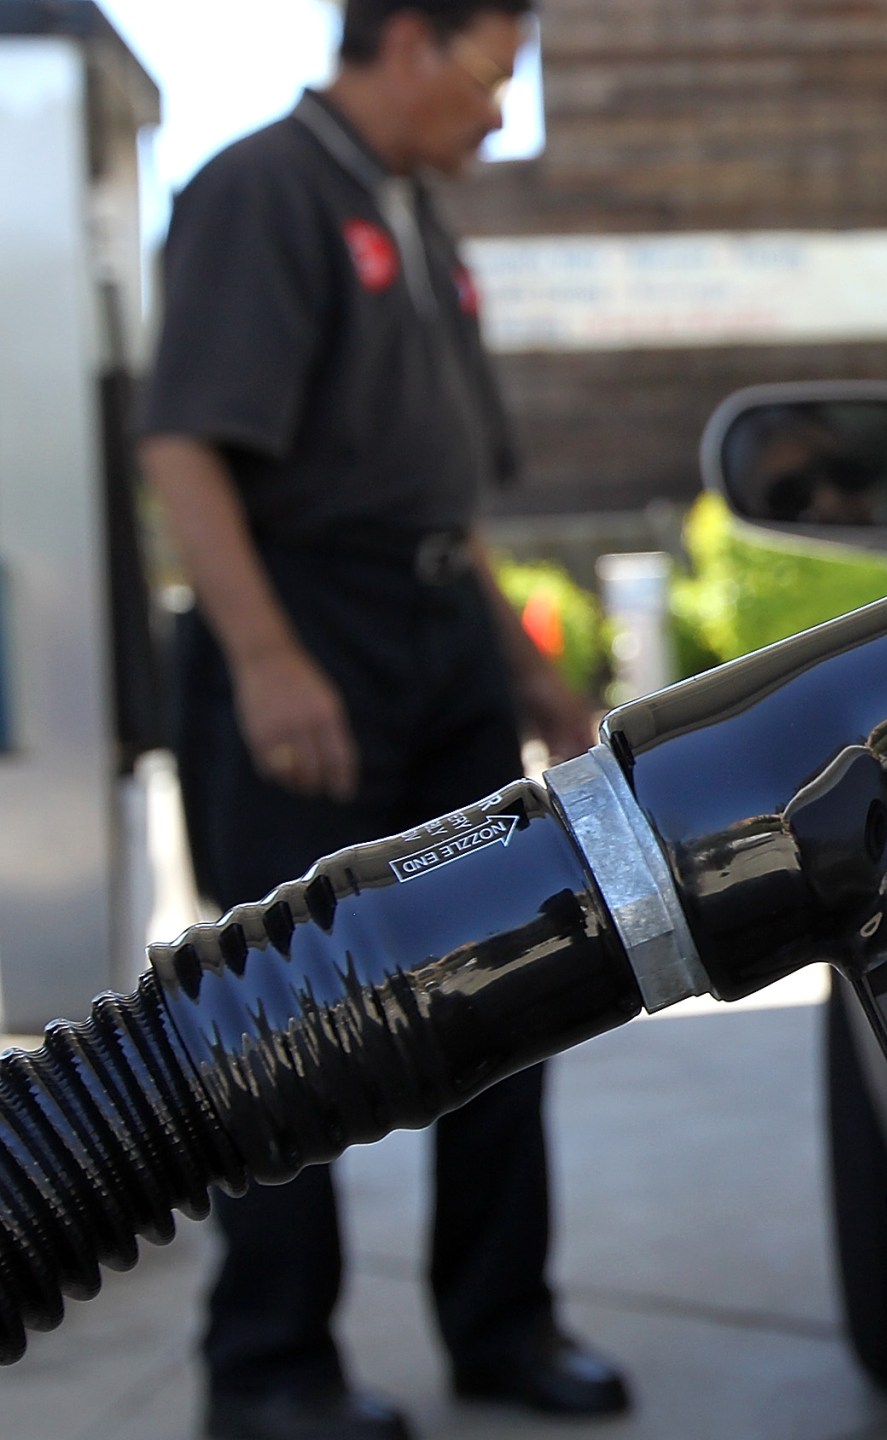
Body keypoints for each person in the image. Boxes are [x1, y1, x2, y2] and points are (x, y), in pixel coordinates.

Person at [138, 3, 631, 1436]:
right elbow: (185, 449)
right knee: (286, 1021)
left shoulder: (418, 220)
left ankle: (504, 1324)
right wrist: (269, 660)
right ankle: (272, 1370)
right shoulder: (265, 189)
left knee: (516, 973)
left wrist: (531, 675)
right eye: (491, 80)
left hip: (437, 639)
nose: (499, 118)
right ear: (409, 40)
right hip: (308, 626)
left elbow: (444, 503)